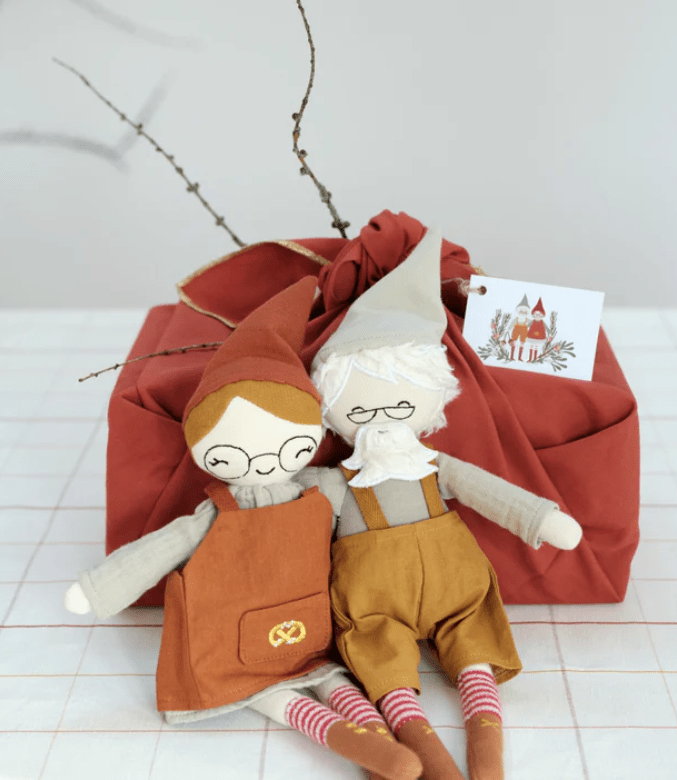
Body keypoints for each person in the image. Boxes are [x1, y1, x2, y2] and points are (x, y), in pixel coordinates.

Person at [64, 277, 421, 780]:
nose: (264, 459)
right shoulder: (216, 511)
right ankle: (359, 744)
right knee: (274, 693)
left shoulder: (321, 488)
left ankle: (383, 740)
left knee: (331, 679)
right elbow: (159, 549)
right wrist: (99, 590)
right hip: (232, 640)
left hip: (309, 629)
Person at [296, 229, 583, 780]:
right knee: (379, 648)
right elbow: (295, 500)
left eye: (403, 400)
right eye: (361, 406)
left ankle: (486, 737)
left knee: (471, 632)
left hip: (456, 589)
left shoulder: (435, 465)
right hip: (377, 604)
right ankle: (417, 739)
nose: (383, 416)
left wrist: (542, 518)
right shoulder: (338, 481)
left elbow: (488, 491)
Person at [525, 297, 548, 362]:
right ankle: (530, 358)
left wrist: (549, 333)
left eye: (539, 314)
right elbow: (527, 326)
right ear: (533, 314)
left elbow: (547, 328)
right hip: (531, 336)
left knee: (536, 347)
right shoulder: (532, 321)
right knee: (531, 346)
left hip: (539, 337)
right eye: (536, 314)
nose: (537, 316)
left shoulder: (542, 322)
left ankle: (535, 358)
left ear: (542, 315)